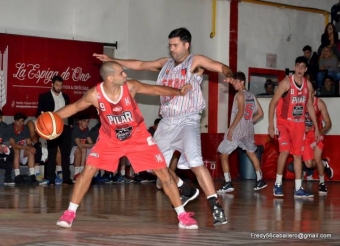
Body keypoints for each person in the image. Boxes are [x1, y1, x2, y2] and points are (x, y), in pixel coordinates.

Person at [93, 27, 234, 226]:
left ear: (186, 45)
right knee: (151, 165)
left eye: (175, 45)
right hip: (167, 122)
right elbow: (141, 64)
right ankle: (185, 188)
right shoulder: (165, 64)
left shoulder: (194, 61)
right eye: (170, 45)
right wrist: (112, 61)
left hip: (188, 119)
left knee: (195, 162)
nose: (172, 49)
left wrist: (230, 75)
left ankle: (215, 206)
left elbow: (220, 67)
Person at [56, 61, 198, 229]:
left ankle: (182, 215)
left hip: (137, 137)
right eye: (121, 73)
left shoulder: (130, 87)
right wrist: (51, 117)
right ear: (109, 78)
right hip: (109, 139)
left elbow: (155, 90)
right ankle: (70, 213)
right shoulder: (95, 95)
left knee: (163, 173)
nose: (125, 75)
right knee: (88, 171)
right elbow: (74, 107)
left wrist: (179, 92)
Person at [268, 56, 320, 198]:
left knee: (298, 156)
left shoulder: (308, 85)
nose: (300, 69)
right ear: (294, 67)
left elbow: (309, 106)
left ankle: (298, 188)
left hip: (299, 124)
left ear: (306, 69)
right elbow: (273, 103)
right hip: (284, 122)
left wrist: (316, 128)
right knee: (284, 152)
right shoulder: (286, 83)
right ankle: (277, 184)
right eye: (298, 66)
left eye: (303, 67)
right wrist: (271, 125)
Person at [217, 71, 266, 193]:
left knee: (223, 155)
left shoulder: (240, 95)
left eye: (236, 82)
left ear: (242, 82)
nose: (234, 84)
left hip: (238, 130)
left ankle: (228, 183)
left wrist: (231, 129)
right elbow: (261, 113)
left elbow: (239, 113)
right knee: (251, 154)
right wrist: (249, 121)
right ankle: (260, 180)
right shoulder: (252, 95)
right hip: (248, 130)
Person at [288, 82, 333, 194]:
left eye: (310, 93)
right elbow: (295, 120)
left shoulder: (319, 103)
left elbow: (328, 123)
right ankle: (324, 163)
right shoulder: (301, 103)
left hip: (317, 134)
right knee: (308, 164)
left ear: (314, 92)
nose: (307, 95)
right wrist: (302, 129)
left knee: (316, 159)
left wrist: (320, 132)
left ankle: (322, 184)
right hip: (307, 136)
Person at [36, 75, 74, 185]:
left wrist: (71, 123)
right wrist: (42, 118)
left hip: (65, 127)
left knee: (65, 154)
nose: (59, 87)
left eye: (61, 85)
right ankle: (51, 179)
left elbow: (70, 110)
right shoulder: (44, 96)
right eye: (57, 85)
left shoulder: (66, 96)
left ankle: (66, 178)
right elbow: (39, 113)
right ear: (52, 84)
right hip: (51, 129)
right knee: (52, 153)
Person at [8, 113, 39, 185]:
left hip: (22, 150)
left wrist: (31, 147)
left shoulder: (25, 128)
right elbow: (13, 145)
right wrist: (27, 147)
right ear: (14, 121)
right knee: (17, 150)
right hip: (11, 152)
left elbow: (29, 142)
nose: (20, 123)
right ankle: (17, 176)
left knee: (31, 151)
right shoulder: (10, 128)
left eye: (22, 121)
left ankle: (32, 176)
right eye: (18, 121)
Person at [70, 116, 94, 182]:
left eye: (88, 121)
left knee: (86, 149)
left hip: (82, 149)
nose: (86, 123)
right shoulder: (75, 129)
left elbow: (92, 143)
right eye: (84, 121)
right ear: (79, 121)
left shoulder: (86, 129)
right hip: (71, 149)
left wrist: (88, 145)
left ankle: (81, 172)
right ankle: (76, 174)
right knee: (79, 149)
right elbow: (79, 145)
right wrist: (88, 145)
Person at [26, 120, 48, 185]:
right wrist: (39, 132)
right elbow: (34, 139)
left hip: (42, 144)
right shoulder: (31, 123)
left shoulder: (48, 124)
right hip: (28, 146)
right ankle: (36, 174)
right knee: (37, 147)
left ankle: (51, 175)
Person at [0, 110, 15, 185]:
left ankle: (8, 178)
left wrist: (2, 146)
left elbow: (7, 141)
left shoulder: (5, 127)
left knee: (10, 151)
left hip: (2, 150)